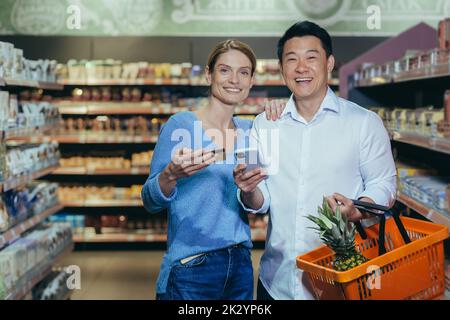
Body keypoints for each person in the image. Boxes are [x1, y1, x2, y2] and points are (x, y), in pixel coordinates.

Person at [233, 21, 397, 300]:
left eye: (311, 57)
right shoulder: (265, 124)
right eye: (291, 59)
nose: (301, 68)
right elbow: (262, 200)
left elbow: (385, 183)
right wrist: (248, 191)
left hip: (342, 280)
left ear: (329, 62)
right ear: (282, 68)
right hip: (277, 281)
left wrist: (358, 210)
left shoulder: (363, 122)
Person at [141, 40, 269, 300]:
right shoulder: (181, 125)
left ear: (252, 80)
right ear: (209, 74)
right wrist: (170, 175)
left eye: (243, 72)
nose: (234, 79)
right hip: (192, 266)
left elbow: (257, 203)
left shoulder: (251, 131)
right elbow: (149, 200)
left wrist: (250, 190)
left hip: (241, 265)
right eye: (225, 70)